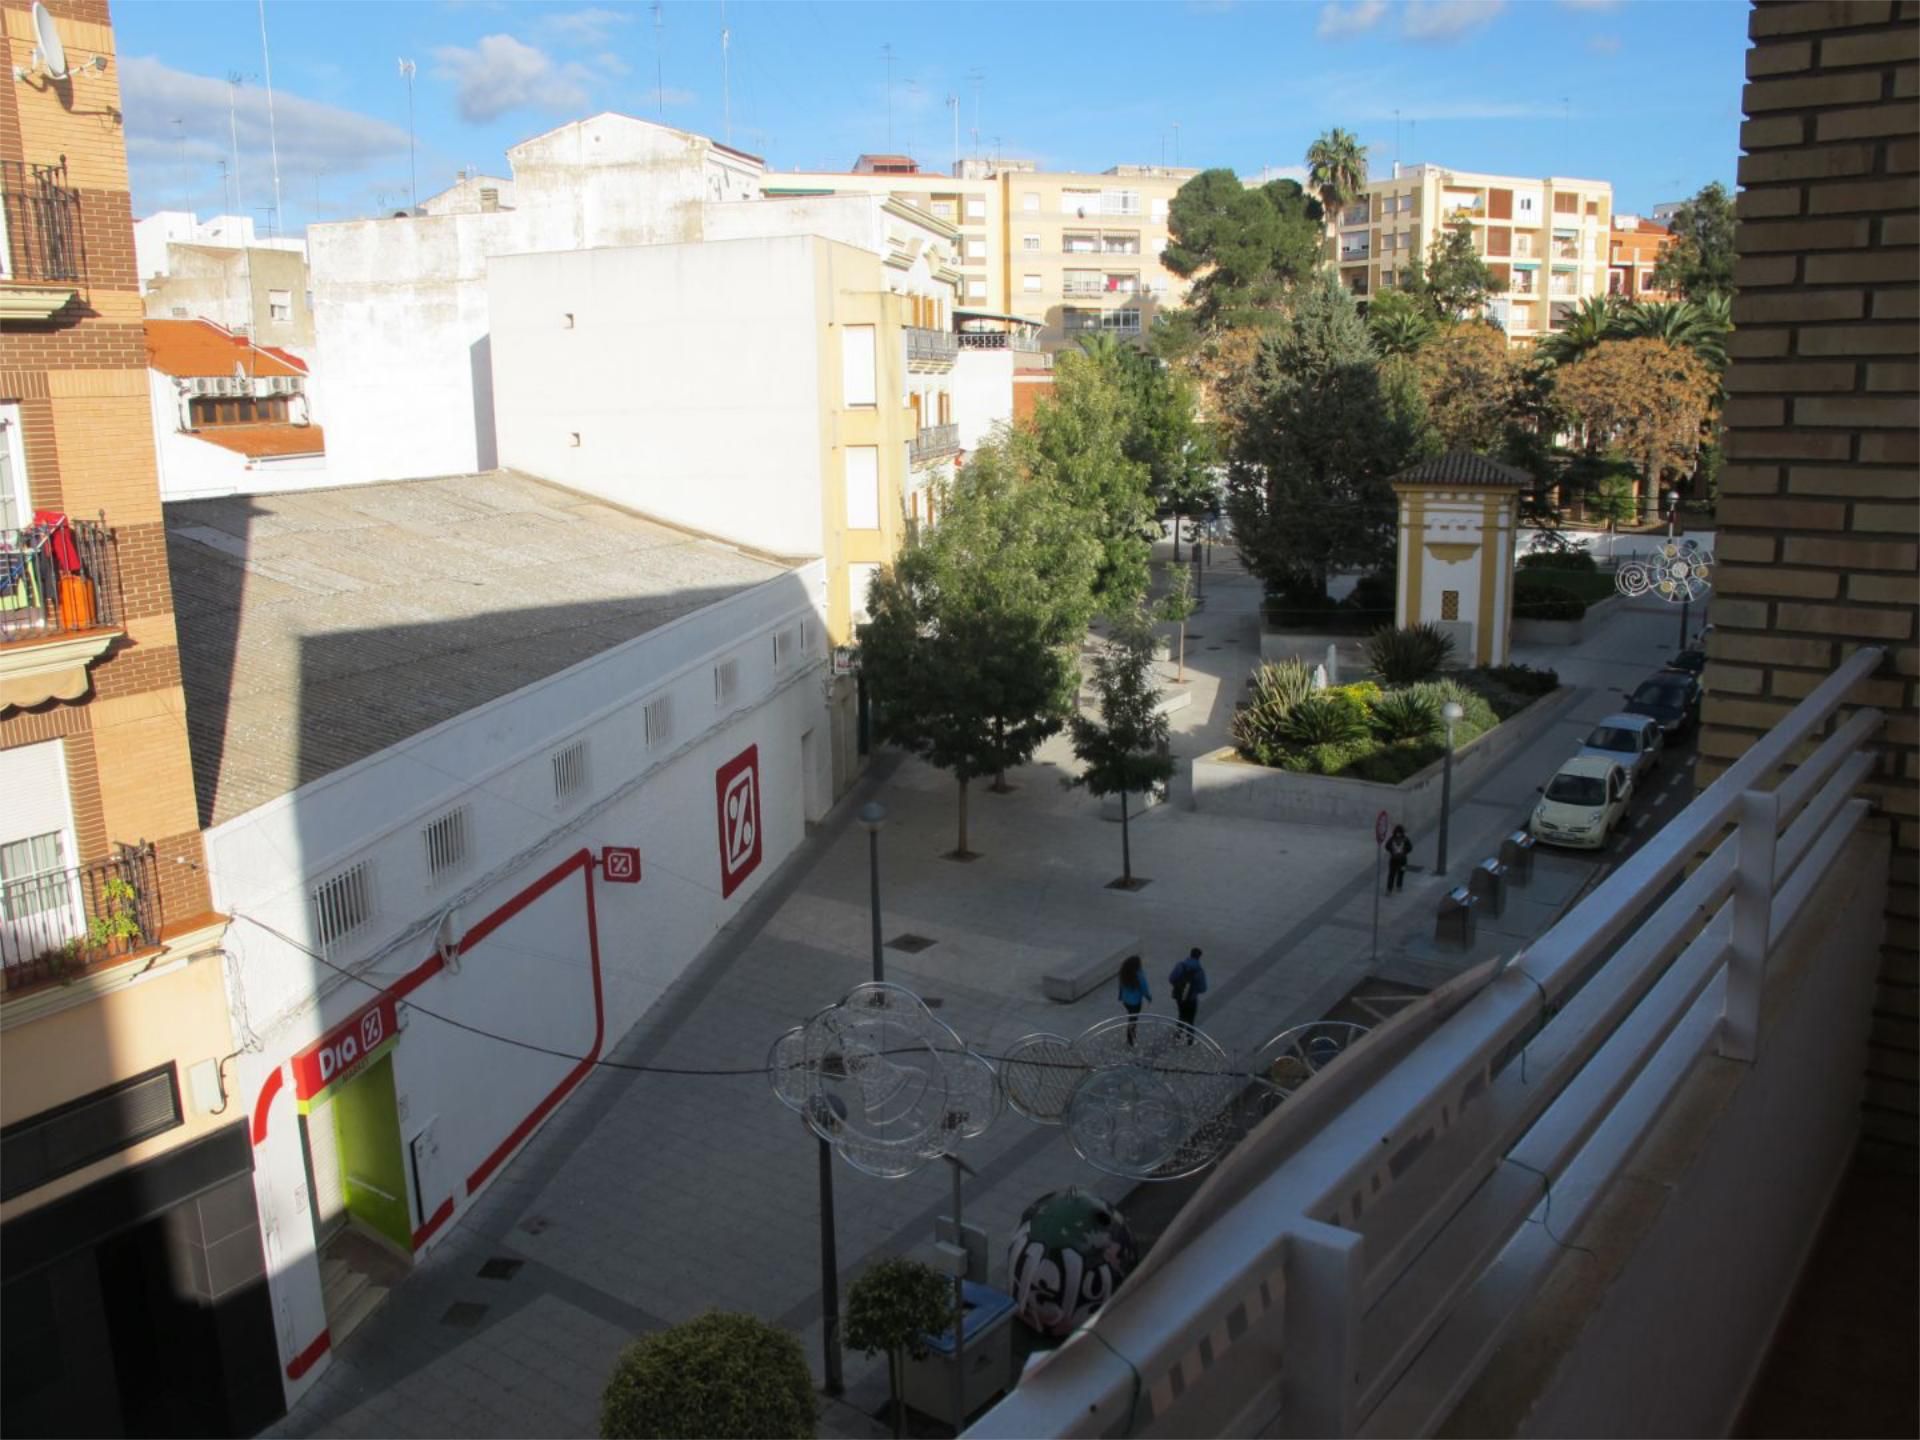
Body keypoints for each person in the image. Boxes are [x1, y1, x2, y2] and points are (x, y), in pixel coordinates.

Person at [1169, 947, 1208, 1041]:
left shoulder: (1180, 965)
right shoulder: (1199, 971)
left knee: (1181, 1014)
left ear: (1190, 954)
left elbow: (1171, 978)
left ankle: (1178, 1034)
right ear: (1199, 957)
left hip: (1179, 996)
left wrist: (1179, 985)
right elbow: (1203, 989)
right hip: (1191, 998)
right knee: (1190, 1019)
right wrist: (1194, 990)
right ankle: (1189, 1039)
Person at [1117, 955, 1150, 1046]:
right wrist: (1148, 997)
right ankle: (1130, 1039)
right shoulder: (1139, 974)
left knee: (1131, 1018)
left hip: (1126, 1001)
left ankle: (1131, 1036)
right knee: (1133, 1019)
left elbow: (1120, 986)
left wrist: (1120, 996)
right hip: (1135, 1002)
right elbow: (1144, 988)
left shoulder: (1123, 973)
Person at [1385, 823, 1413, 894]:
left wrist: (1404, 852)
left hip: (1403, 861)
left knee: (1401, 873)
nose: (1398, 834)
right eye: (1397, 832)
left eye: (1399, 833)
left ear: (1402, 833)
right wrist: (1392, 851)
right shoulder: (1392, 839)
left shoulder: (1405, 839)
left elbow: (1410, 848)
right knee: (1392, 874)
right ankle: (1389, 889)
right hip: (1393, 860)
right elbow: (1387, 846)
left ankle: (1399, 886)